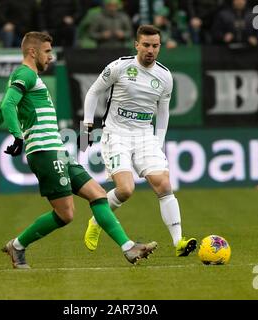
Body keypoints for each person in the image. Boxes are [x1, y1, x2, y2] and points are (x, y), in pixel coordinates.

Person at [0, 31, 157, 269]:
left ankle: (128, 248)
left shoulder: (24, 79)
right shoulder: (25, 73)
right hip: (44, 151)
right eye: (47, 51)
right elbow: (8, 106)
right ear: (33, 52)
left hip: (57, 150)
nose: (50, 57)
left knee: (98, 194)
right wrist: (18, 137)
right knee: (66, 214)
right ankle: (18, 246)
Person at [80, 25, 196, 257]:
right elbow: (93, 92)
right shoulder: (120, 66)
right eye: (145, 45)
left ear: (159, 47)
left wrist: (159, 142)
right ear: (136, 45)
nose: (150, 50)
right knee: (125, 189)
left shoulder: (164, 76)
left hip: (145, 135)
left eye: (154, 46)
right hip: (116, 133)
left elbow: (163, 112)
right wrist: (87, 124)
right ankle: (96, 221)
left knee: (163, 184)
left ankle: (178, 242)